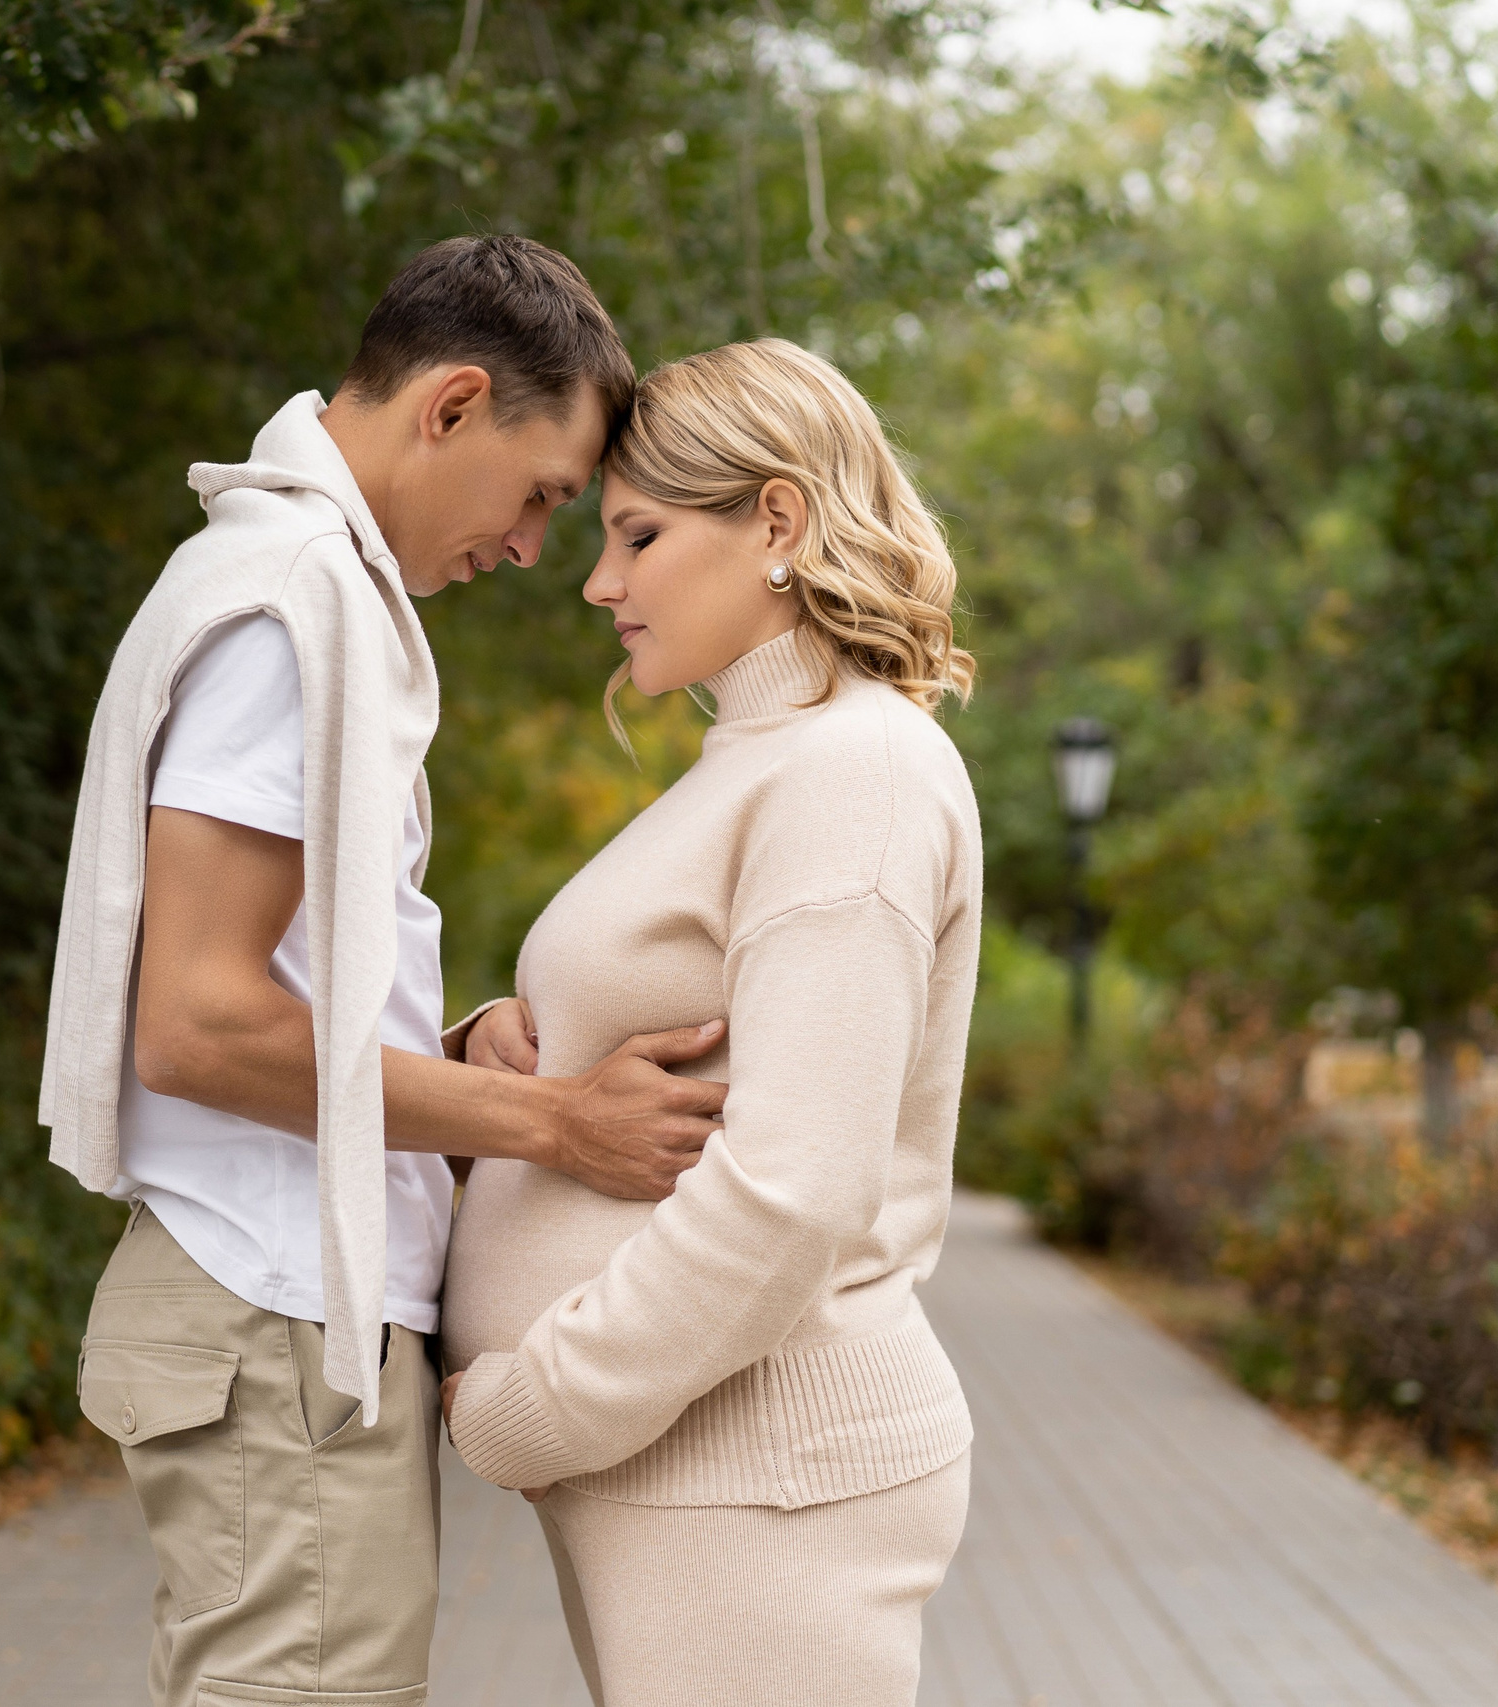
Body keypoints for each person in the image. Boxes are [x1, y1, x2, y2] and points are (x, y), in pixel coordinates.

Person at [39, 235, 730, 1707]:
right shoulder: (295, 604)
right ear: (454, 404)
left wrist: (455, 1035)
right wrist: (555, 1125)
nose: (539, 549)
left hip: (283, 1320)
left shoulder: (300, 584)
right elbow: (201, 1024)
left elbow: (272, 970)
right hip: (273, 1312)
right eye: (543, 493)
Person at [440, 338, 983, 1707]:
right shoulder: (764, 760)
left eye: (638, 535)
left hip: (762, 1486)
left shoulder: (850, 767)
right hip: (705, 1480)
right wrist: (521, 1037)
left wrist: (531, 1409)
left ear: (778, 521)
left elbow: (796, 1190)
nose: (598, 581)